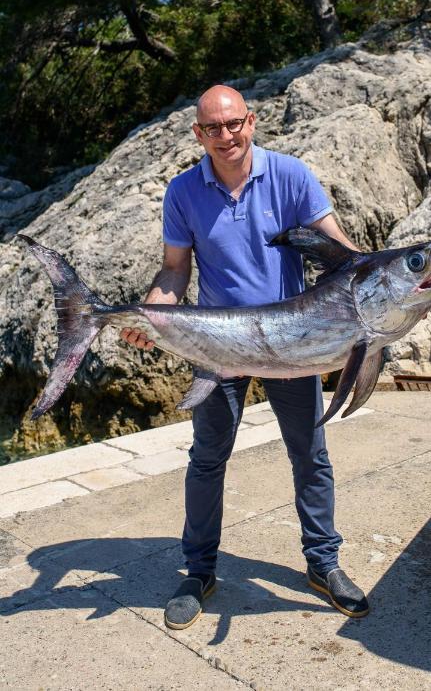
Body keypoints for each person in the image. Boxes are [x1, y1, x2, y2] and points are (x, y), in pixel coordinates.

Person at [121, 84, 369, 629]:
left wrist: (385, 296)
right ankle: (199, 570)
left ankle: (323, 564)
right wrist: (153, 316)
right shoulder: (183, 192)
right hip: (218, 344)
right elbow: (174, 272)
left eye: (234, 125)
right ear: (198, 134)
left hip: (290, 343)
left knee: (310, 455)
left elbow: (345, 258)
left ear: (251, 122)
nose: (225, 136)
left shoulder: (291, 176)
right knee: (207, 458)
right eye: (213, 128)